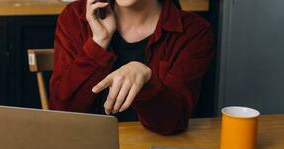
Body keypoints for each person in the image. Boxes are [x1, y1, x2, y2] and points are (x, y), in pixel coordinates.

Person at [49, 0, 215, 135]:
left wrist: (147, 79)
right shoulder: (75, 17)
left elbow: (173, 123)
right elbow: (62, 113)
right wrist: (99, 42)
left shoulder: (194, 32)